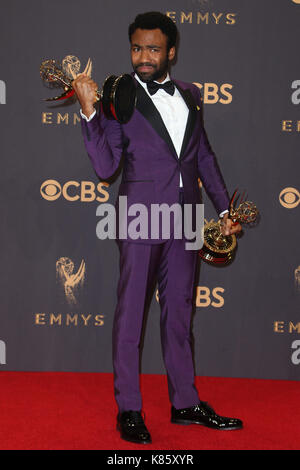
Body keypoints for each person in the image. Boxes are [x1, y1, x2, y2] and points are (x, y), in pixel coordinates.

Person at [73, 11, 243, 445]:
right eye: (136, 48)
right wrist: (91, 111)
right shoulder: (118, 95)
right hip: (140, 219)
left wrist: (225, 209)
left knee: (179, 317)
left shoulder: (190, 94)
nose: (143, 57)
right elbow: (106, 167)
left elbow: (203, 156)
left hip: (185, 219)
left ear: (171, 52)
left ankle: (185, 403)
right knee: (131, 318)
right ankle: (129, 409)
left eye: (152, 49)